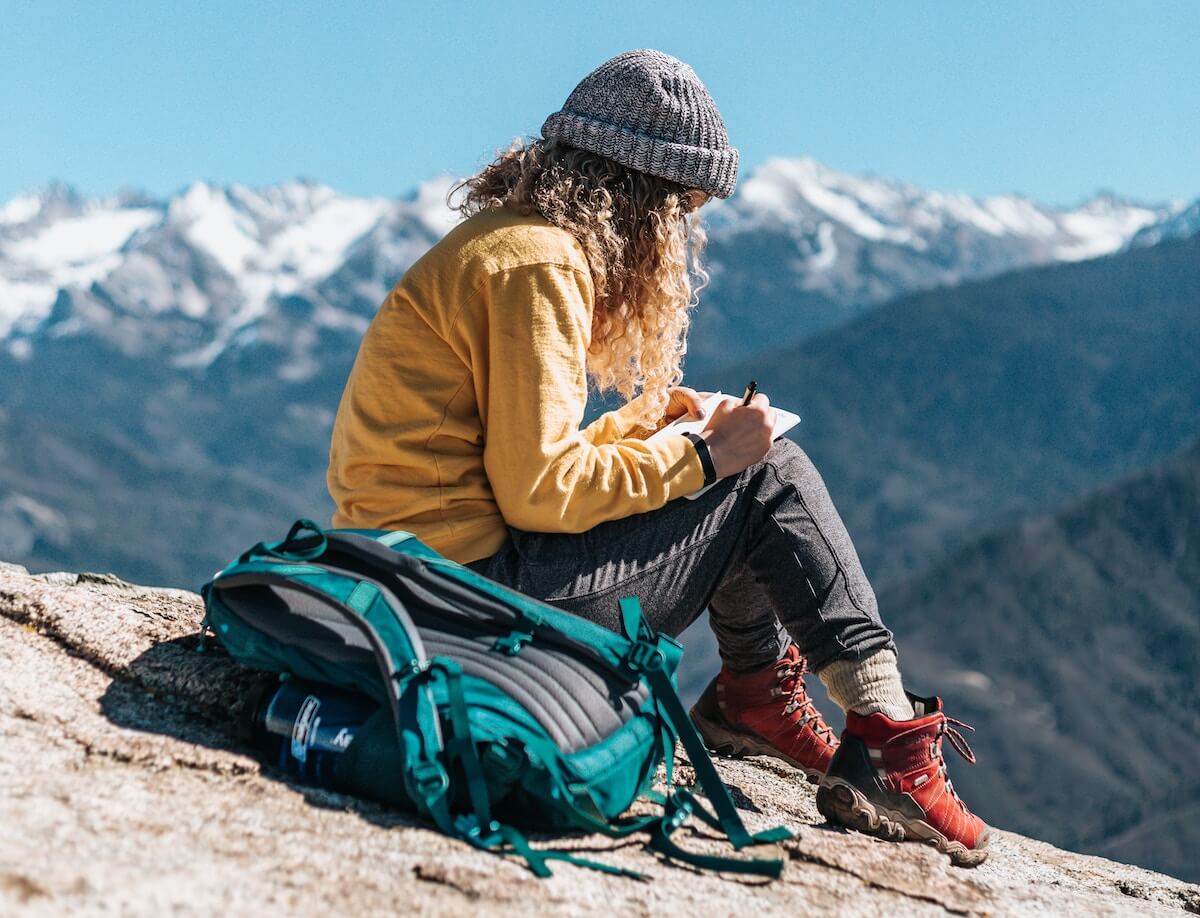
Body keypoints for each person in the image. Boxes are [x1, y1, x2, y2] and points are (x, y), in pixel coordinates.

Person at [326, 49, 988, 867]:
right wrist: (705, 461)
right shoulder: (541, 265)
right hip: (469, 600)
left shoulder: (502, 244)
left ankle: (755, 696)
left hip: (415, 579)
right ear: (639, 196)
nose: (680, 234)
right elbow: (538, 494)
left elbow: (502, 463)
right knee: (768, 473)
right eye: (680, 209)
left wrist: (641, 429)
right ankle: (888, 741)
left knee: (744, 466)